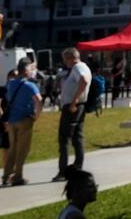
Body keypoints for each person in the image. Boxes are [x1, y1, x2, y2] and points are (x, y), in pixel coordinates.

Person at [0, 56, 42, 187]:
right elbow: (39, 100)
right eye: (31, 68)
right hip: (25, 119)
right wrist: (36, 115)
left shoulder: (11, 83)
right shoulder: (30, 85)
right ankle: (17, 176)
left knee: (12, 148)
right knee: (22, 150)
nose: (32, 71)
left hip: (12, 120)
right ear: (25, 70)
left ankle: (6, 175)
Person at [53, 46, 92, 179]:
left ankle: (63, 171)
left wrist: (74, 100)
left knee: (64, 138)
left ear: (71, 58)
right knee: (77, 137)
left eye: (65, 60)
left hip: (72, 106)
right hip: (80, 106)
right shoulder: (83, 67)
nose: (65, 63)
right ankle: (78, 166)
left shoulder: (77, 68)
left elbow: (84, 81)